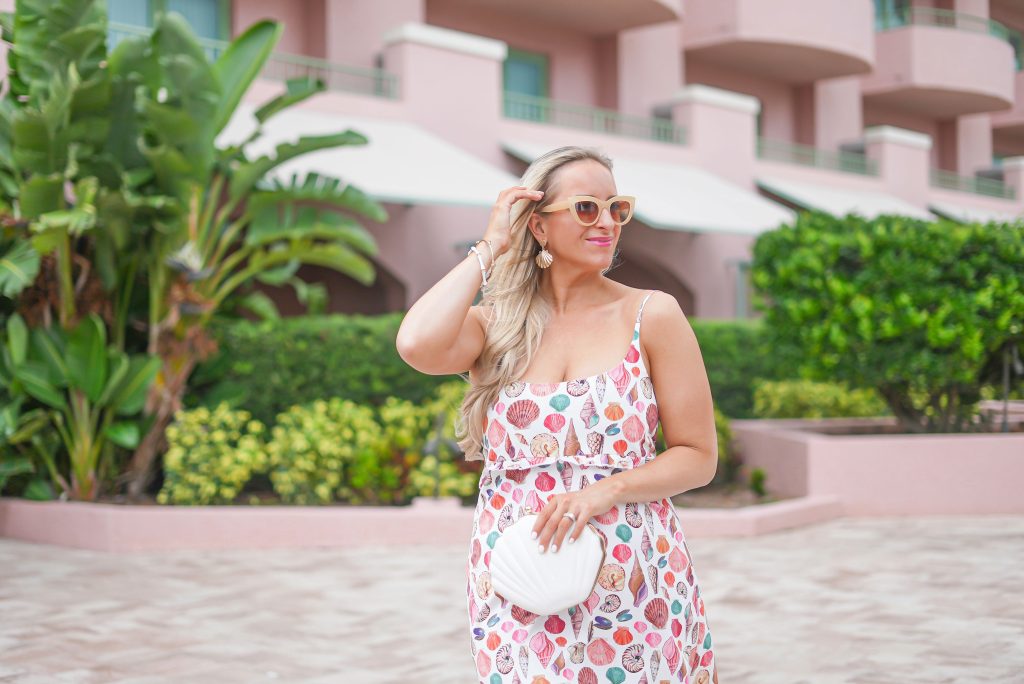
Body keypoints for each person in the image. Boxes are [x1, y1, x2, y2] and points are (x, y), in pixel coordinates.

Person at [396, 146, 720, 683]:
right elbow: (415, 343)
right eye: (586, 208)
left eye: (617, 208)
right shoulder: (494, 327)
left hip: (632, 571)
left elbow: (698, 456)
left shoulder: (651, 314)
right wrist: (492, 245)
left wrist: (603, 492)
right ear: (539, 226)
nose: (607, 223)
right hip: (520, 579)